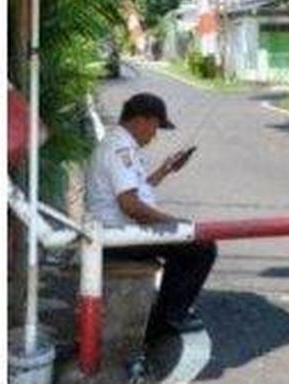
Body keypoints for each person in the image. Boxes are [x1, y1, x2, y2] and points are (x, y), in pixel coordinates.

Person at [86, 92, 218, 352]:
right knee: (201, 247)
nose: (154, 135)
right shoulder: (119, 149)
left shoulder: (121, 144)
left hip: (121, 231)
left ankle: (166, 313)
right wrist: (175, 224)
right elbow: (131, 205)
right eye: (156, 127)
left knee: (190, 244)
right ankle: (167, 320)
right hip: (118, 236)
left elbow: (137, 189)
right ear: (143, 120)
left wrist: (164, 170)